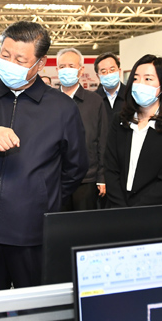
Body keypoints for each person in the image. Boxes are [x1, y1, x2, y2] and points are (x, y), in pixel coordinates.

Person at [0, 21, 87, 292]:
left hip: (32, 233)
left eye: (20, 60)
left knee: (35, 306)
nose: (10, 64)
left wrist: (43, 196)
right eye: (5, 55)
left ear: (40, 63)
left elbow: (76, 166)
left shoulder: (62, 107)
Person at [104, 54, 162, 207]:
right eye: (136, 78)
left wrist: (138, 211)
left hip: (154, 209)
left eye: (148, 79)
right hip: (117, 207)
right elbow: (111, 168)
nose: (140, 84)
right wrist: (121, 207)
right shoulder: (120, 120)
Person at [56, 48, 108, 210]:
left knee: (84, 223)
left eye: (71, 66)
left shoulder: (95, 101)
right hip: (56, 178)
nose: (66, 70)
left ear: (81, 70)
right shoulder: (49, 101)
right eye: (62, 66)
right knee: (59, 223)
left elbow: (102, 140)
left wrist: (101, 176)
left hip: (87, 178)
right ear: (57, 70)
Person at [94, 52, 126, 123]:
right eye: (104, 71)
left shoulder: (130, 95)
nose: (109, 74)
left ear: (119, 71)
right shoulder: (93, 98)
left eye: (112, 70)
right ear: (98, 76)